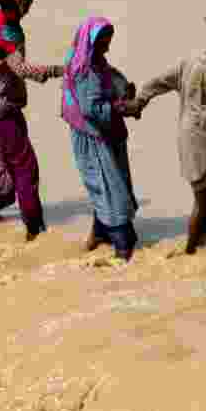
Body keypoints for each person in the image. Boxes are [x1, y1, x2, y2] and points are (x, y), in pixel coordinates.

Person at [128, 24, 206, 254]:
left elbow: (159, 81)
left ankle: (200, 233)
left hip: (192, 137)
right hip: (204, 140)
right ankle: (190, 249)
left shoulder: (189, 62)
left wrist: (141, 100)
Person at [0, 0, 64, 241]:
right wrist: (58, 70)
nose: (29, 8)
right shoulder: (9, 31)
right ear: (18, 2)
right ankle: (34, 230)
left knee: (1, 159)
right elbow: (20, 68)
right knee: (25, 166)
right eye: (28, 2)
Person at [61, 17, 142, 261]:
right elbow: (90, 108)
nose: (107, 47)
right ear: (91, 42)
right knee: (110, 189)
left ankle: (99, 234)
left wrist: (125, 92)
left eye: (109, 41)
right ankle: (121, 248)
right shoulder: (84, 70)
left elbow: (112, 81)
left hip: (107, 133)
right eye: (103, 42)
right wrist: (120, 108)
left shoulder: (97, 63)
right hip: (92, 136)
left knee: (109, 184)